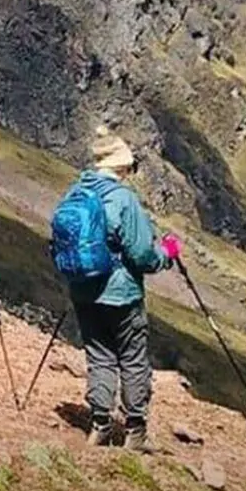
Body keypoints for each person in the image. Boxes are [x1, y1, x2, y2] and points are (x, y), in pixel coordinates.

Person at [55, 125, 179, 451]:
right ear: (121, 167)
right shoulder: (123, 198)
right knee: (133, 359)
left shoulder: (75, 192)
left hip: (84, 289)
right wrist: (167, 255)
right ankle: (135, 430)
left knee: (99, 357)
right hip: (121, 293)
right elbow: (142, 254)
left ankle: (100, 424)